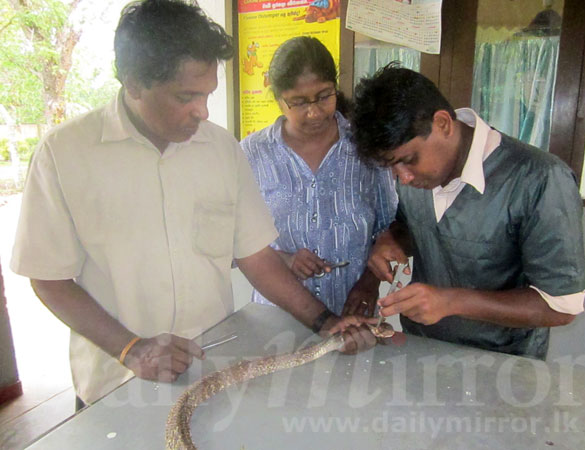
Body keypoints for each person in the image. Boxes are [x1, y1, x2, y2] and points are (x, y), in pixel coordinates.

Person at [10, 0, 376, 408]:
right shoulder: (65, 154)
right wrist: (132, 349)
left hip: (215, 374)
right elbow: (48, 278)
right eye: (186, 96)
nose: (202, 111)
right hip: (117, 384)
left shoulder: (220, 150)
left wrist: (324, 321)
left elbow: (257, 257)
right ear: (133, 84)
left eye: (208, 94)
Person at [351, 64, 585, 359]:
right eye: (391, 167)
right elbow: (415, 225)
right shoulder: (417, 177)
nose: (404, 178)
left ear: (443, 124)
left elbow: (561, 305)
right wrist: (391, 239)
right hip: (422, 351)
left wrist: (452, 302)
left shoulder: (540, 178)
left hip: (505, 367)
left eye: (409, 160)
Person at [240, 36, 397, 317]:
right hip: (277, 319)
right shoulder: (251, 155)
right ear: (278, 99)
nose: (313, 112)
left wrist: (369, 284)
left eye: (324, 96)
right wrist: (284, 260)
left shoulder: (365, 146)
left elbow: (389, 229)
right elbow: (235, 241)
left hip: (352, 314)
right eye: (298, 102)